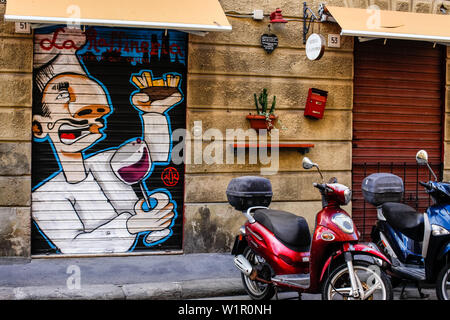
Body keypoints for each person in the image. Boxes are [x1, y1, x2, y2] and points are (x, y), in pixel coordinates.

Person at [31, 27, 181, 254]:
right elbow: (74, 246)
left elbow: (153, 156)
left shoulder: (106, 160)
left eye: (97, 114)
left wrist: (155, 114)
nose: (90, 121)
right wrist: (131, 226)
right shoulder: (43, 198)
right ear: (40, 127)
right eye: (64, 97)